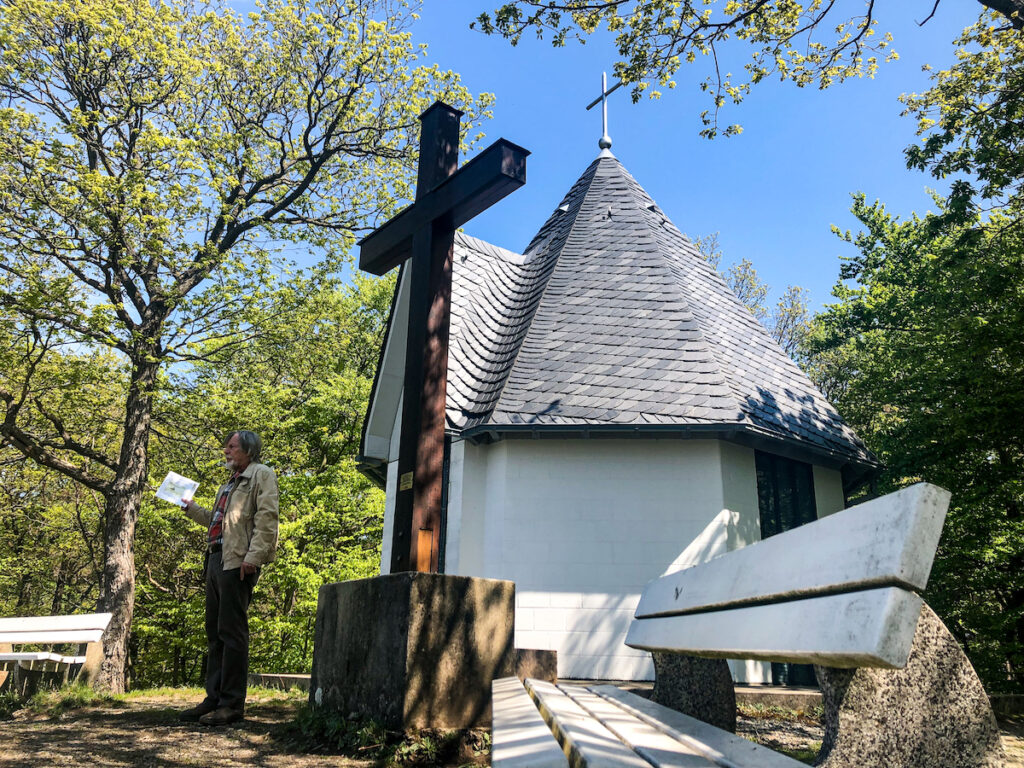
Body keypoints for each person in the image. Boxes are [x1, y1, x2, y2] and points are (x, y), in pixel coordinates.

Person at [178, 430, 279, 726]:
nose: (226, 451)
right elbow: (216, 522)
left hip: (238, 561)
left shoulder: (262, 474)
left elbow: (267, 518)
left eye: (232, 447)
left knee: (232, 632)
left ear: (248, 450)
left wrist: (253, 557)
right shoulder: (228, 484)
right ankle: (214, 700)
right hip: (215, 558)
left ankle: (232, 704)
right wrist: (190, 508)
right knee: (215, 632)